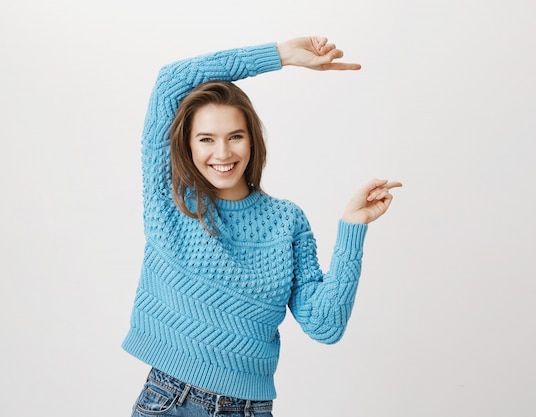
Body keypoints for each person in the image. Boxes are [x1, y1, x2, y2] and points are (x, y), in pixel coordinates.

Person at [123, 36, 402, 417]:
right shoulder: (171, 201)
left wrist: (352, 229)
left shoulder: (286, 221)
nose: (222, 153)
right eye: (206, 139)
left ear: (253, 141)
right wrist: (282, 56)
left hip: (249, 409)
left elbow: (325, 325)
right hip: (172, 401)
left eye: (235, 136)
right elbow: (172, 79)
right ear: (187, 146)